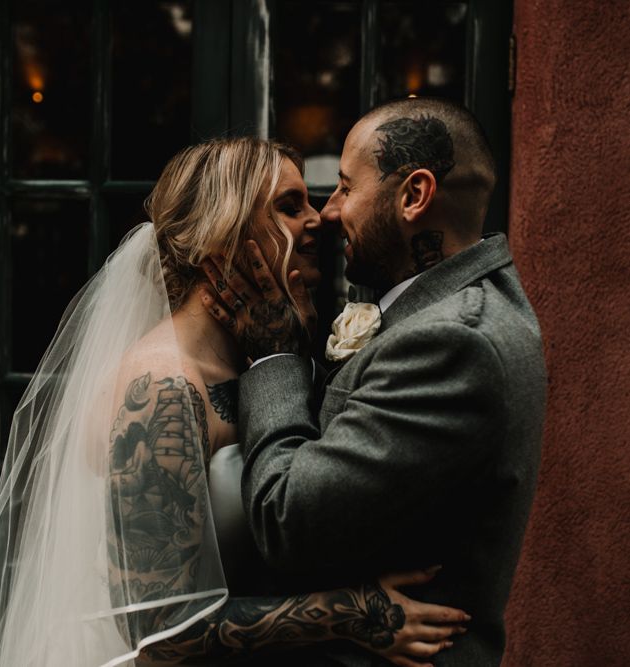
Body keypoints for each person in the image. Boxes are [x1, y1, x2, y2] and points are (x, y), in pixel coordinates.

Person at [0, 137, 468, 667]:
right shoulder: (161, 388)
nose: (320, 219)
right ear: (223, 237)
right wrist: (349, 613)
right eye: (290, 207)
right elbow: (157, 630)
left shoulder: (259, 361)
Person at [203, 99, 547, 666]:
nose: (328, 212)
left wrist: (273, 354)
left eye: (344, 186)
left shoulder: (454, 341)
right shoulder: (423, 309)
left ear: (414, 196)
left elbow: (287, 519)